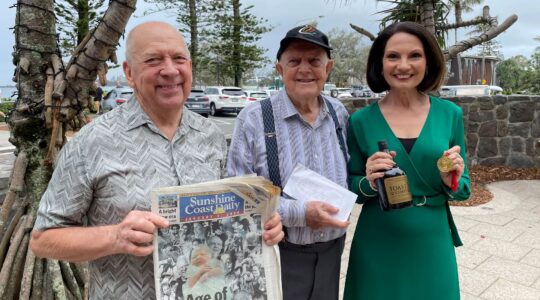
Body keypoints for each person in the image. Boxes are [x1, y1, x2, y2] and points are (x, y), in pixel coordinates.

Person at [29, 21, 283, 299]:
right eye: (153, 60)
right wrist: (115, 237)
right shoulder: (91, 143)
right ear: (129, 72)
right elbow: (44, 239)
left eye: (179, 59)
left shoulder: (209, 135)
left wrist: (262, 224)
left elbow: (230, 214)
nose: (170, 70)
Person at [343, 21, 470, 299]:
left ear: (429, 62)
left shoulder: (450, 114)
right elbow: (351, 188)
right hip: (378, 239)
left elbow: (464, 188)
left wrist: (452, 178)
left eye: (414, 55)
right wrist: (368, 181)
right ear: (380, 63)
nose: (403, 65)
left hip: (432, 240)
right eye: (393, 56)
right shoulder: (360, 121)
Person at [227, 24, 349, 300]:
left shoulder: (338, 114)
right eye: (294, 61)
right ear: (279, 70)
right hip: (277, 253)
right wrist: (300, 213)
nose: (305, 69)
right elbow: (238, 195)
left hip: (333, 253)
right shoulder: (253, 118)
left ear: (328, 68)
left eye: (314, 61)